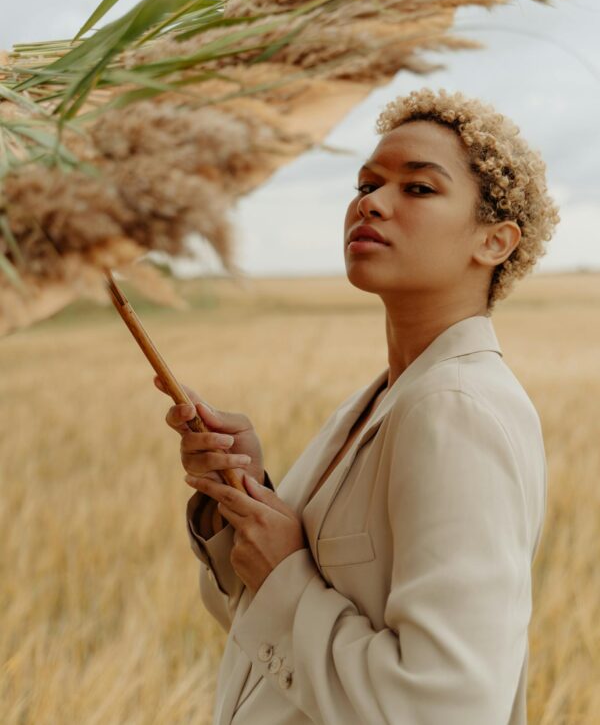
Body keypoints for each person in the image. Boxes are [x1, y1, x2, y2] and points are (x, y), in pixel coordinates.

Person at [154, 86, 559, 725]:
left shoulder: (456, 410)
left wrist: (286, 572)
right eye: (365, 184)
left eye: (418, 188)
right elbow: (256, 610)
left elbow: (447, 707)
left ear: (495, 242)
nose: (371, 202)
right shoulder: (381, 401)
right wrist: (240, 494)